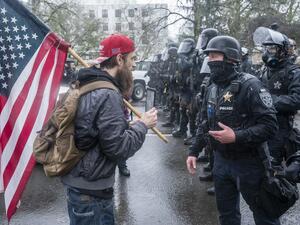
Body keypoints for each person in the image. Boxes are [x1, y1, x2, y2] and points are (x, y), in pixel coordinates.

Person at [61, 34, 158, 225]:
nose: (133, 65)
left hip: (81, 186)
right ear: (120, 59)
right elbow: (118, 149)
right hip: (91, 195)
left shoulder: (86, 83)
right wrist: (142, 125)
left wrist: (127, 126)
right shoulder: (108, 93)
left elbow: (95, 130)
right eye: (132, 59)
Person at [186, 35, 280, 225]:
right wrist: (194, 151)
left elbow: (270, 126)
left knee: (265, 217)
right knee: (227, 216)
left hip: (250, 164)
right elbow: (204, 122)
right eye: (208, 56)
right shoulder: (212, 88)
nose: (209, 60)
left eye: (214, 56)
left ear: (230, 57)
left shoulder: (251, 85)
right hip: (221, 162)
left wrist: (236, 136)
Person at [260, 30, 300, 167]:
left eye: (271, 48)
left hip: (281, 129)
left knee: (278, 171)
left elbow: (296, 100)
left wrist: (267, 100)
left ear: (283, 50)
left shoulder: (293, 72)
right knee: (262, 167)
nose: (267, 52)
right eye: (265, 48)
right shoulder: (264, 70)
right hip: (262, 126)